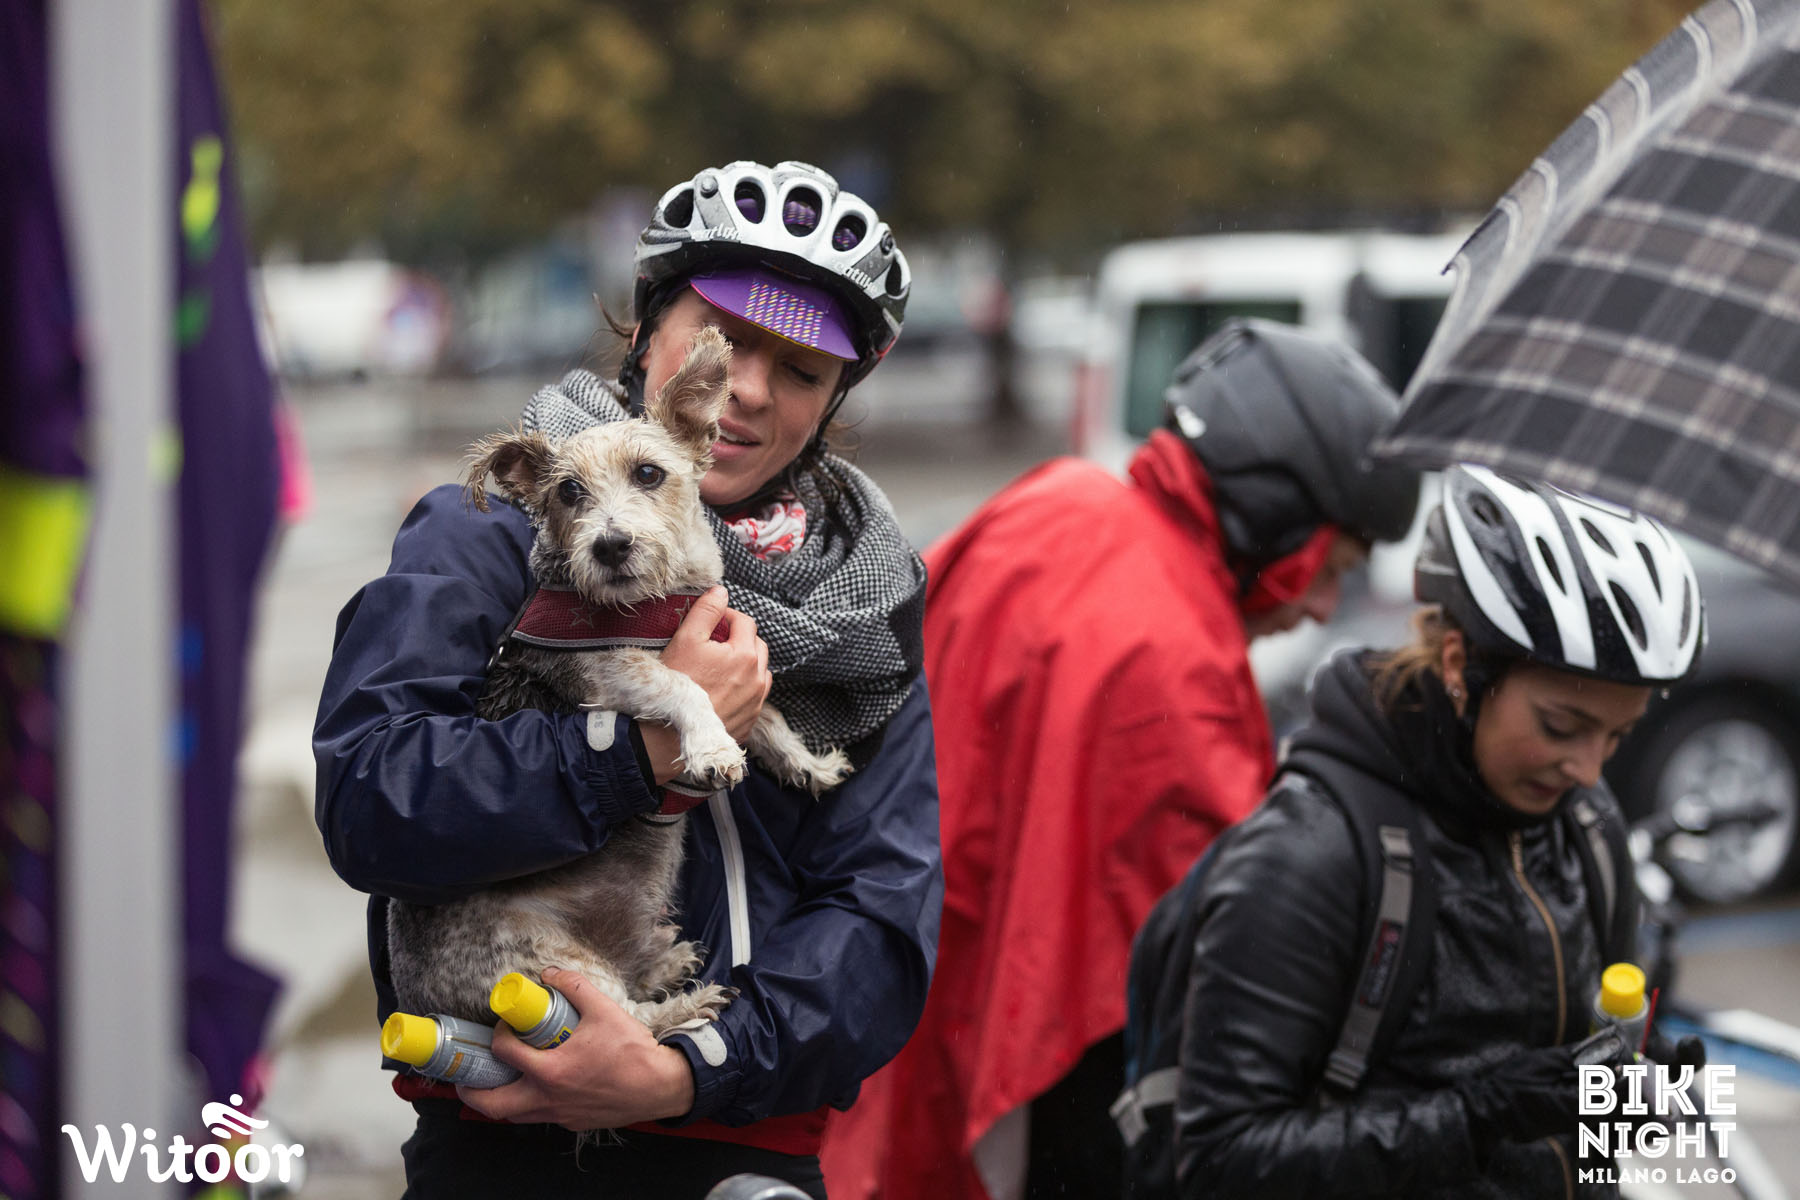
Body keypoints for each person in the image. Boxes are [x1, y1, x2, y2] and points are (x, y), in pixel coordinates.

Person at [313, 160, 941, 1200]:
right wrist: (634, 753)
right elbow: (372, 799)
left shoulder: (865, 603)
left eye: (801, 370)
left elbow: (882, 919)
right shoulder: (485, 531)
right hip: (501, 1145)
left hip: (748, 1153)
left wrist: (683, 1070)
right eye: (723, 338)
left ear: (834, 399)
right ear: (650, 333)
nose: (749, 388)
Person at [821, 319, 1422, 1200]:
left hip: (875, 993)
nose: (1326, 607)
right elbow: (1215, 951)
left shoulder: (1055, 501)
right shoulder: (1179, 654)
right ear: (1278, 516)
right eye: (1330, 566)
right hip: (1026, 1091)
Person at [1174, 464, 1706, 1198]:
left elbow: (1585, 1141)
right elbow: (1221, 1164)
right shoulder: (1313, 853)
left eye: (1619, 735)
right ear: (1461, 664)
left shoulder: (1589, 830)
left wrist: (1640, 1099)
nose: (1589, 770)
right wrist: (1478, 1117)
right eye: (1561, 726)